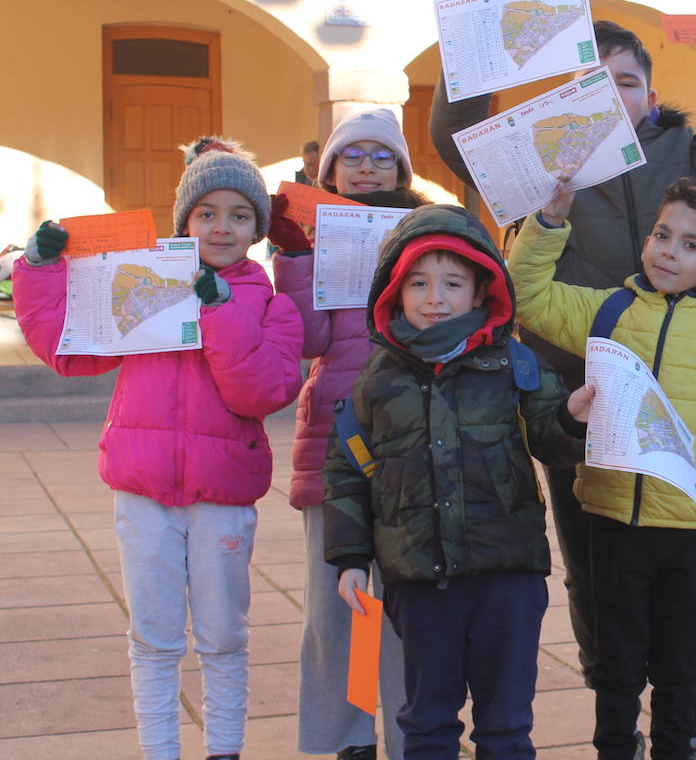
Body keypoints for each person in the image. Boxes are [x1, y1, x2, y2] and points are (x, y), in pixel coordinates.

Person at [430, 0, 696, 759]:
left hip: (686, 397)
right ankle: (613, 701)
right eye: (589, 80)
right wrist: (480, 42)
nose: (609, 92)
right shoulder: (538, 160)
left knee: (686, 576)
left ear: (650, 98)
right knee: (598, 570)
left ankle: (684, 724)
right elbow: (451, 142)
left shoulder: (689, 153)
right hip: (580, 391)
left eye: (625, 80)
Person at [13, 138, 304, 760]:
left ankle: (224, 748)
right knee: (153, 637)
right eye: (207, 213)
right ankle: (160, 751)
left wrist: (220, 310)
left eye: (239, 214)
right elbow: (67, 348)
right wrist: (38, 271)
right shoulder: (141, 283)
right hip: (142, 489)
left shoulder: (274, 306)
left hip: (222, 495)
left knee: (224, 635)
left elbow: (262, 392)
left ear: (256, 227)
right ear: (185, 221)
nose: (221, 226)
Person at [508, 177, 696, 760]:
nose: (669, 250)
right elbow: (528, 295)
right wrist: (548, 225)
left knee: (683, 661)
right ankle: (615, 747)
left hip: (688, 528)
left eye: (691, 245)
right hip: (612, 514)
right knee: (615, 660)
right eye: (663, 235)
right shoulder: (608, 309)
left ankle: (678, 745)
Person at [322, 202, 594, 760]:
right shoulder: (377, 380)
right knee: (425, 722)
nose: (434, 298)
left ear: (480, 291)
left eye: (452, 283)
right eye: (418, 283)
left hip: (507, 578)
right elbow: (347, 470)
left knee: (506, 725)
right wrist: (351, 557)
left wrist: (570, 417)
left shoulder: (515, 365)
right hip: (419, 583)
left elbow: (550, 440)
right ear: (395, 292)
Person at [268, 106, 430, 760]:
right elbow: (308, 340)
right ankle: (352, 739)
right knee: (343, 605)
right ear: (327, 169)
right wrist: (295, 256)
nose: (366, 167)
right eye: (352, 156)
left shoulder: (427, 228)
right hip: (336, 438)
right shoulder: (310, 236)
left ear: (400, 166)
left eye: (380, 155)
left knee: (405, 607)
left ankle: (409, 731)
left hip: (415, 437)